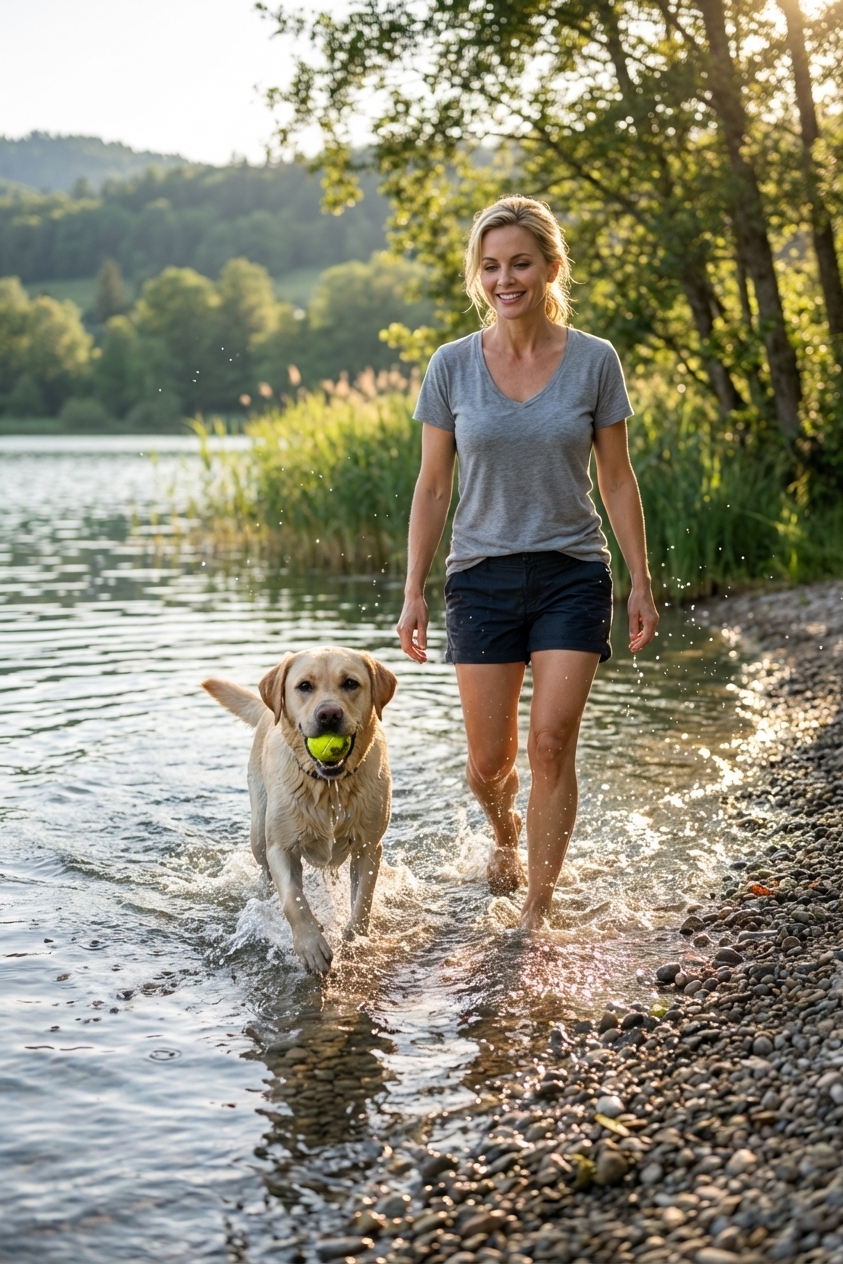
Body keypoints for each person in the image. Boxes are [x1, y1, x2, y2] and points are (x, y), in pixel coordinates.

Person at [396, 195, 659, 931]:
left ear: (549, 267)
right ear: (477, 276)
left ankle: (536, 909)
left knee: (550, 743)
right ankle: (504, 833)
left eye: (519, 263)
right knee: (488, 762)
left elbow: (615, 478)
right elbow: (433, 484)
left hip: (571, 571)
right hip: (478, 577)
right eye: (490, 266)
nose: (504, 278)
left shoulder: (593, 361)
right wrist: (413, 591)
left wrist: (640, 582)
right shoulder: (451, 366)